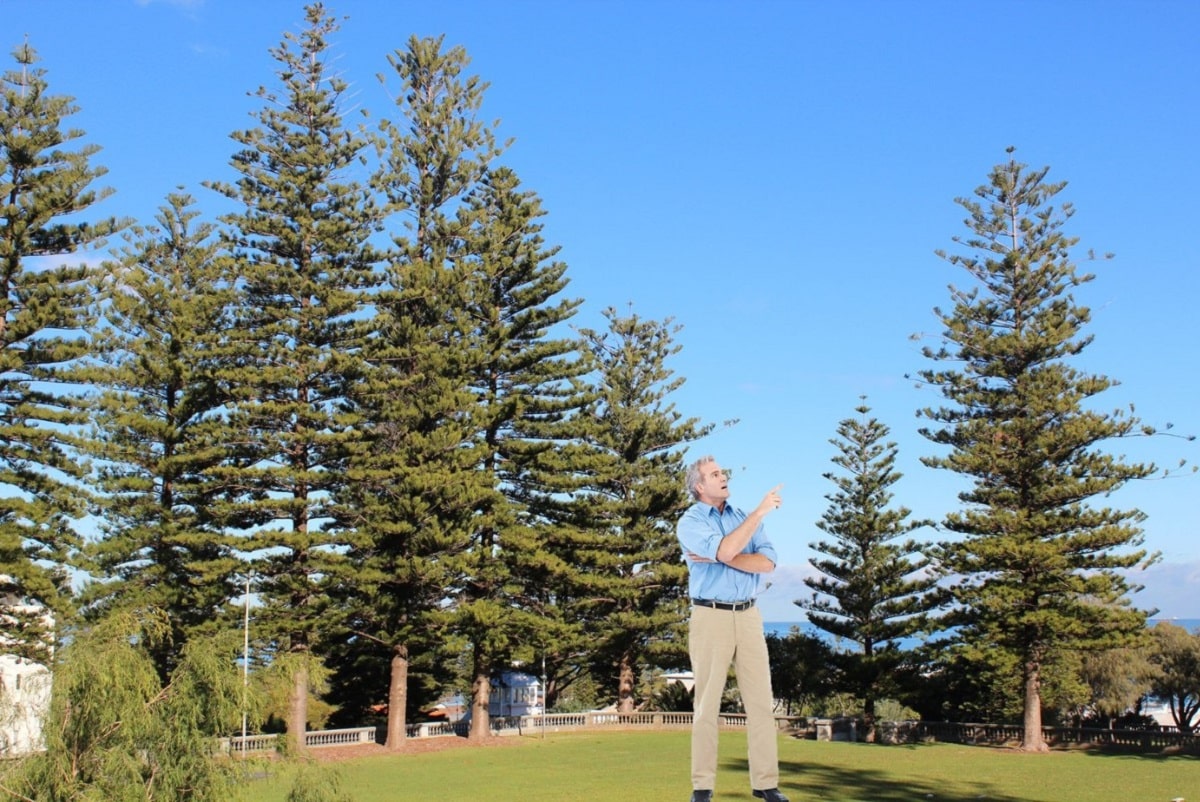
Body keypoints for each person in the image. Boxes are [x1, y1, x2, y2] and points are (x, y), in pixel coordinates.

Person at [676, 455, 788, 802]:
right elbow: (727, 548)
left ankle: (766, 783)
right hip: (711, 616)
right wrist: (758, 514)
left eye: (722, 472)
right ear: (700, 486)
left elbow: (768, 562)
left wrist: (725, 556)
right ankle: (703, 787)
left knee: (760, 703)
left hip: (749, 615)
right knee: (707, 704)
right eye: (714, 474)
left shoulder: (739, 518)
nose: (723, 477)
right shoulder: (691, 521)